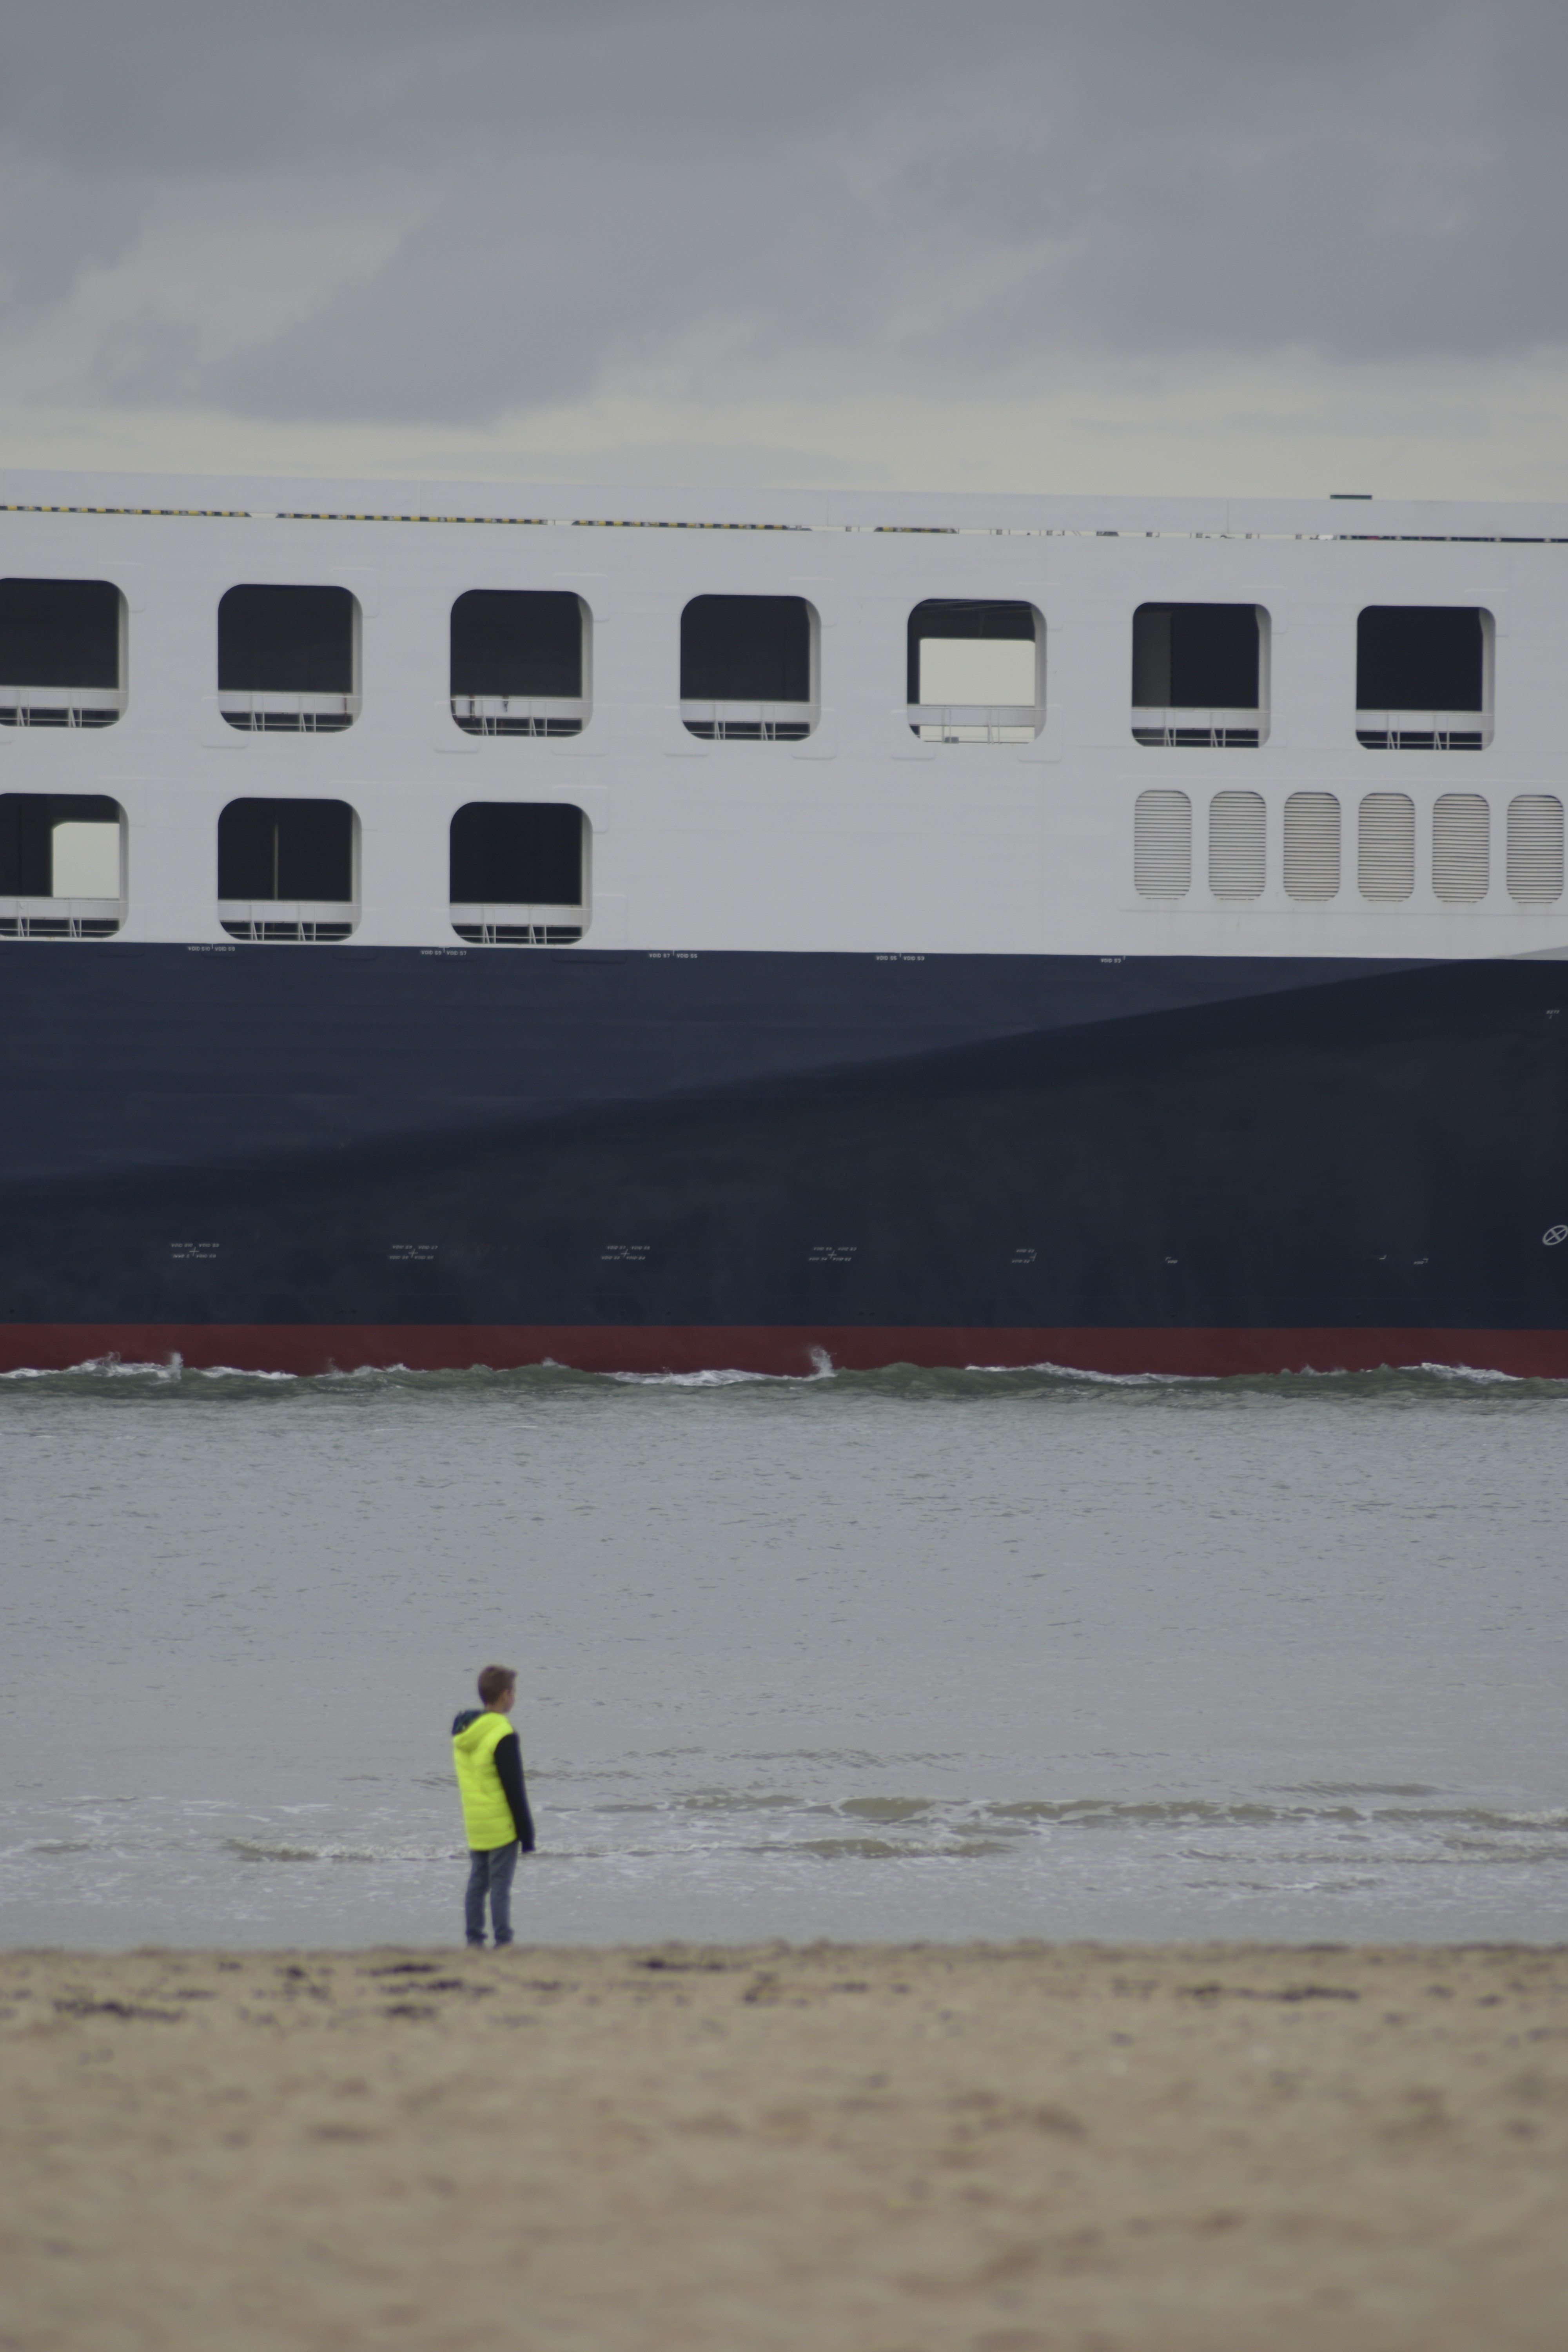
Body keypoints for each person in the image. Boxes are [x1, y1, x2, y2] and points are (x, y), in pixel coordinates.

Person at [451, 1663, 535, 1948]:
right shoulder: (502, 1732)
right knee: (500, 1886)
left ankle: (474, 1940)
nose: (514, 1697)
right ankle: (504, 1941)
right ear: (504, 1695)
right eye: (513, 1692)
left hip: (475, 1823)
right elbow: (514, 1787)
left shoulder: (465, 1732)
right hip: (501, 1824)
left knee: (477, 1884)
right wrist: (527, 1831)